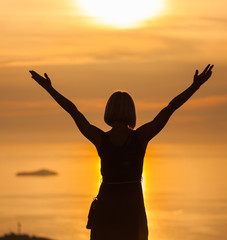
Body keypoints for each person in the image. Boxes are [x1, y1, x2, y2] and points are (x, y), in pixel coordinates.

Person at [29, 64, 214, 240]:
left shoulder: (100, 138)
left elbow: (73, 111)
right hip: (132, 209)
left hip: (106, 208)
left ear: (108, 110)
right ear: (131, 111)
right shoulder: (141, 137)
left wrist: (49, 88)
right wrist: (195, 86)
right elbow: (170, 109)